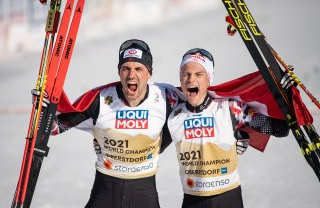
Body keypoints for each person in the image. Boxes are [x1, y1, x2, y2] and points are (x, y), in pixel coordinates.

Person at [49, 39, 183, 208]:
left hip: (144, 192)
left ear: (149, 74)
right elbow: (56, 127)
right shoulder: (99, 99)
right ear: (119, 73)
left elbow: (192, 109)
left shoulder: (165, 98)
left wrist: (158, 147)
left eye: (138, 69)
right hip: (106, 190)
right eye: (125, 68)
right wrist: (44, 108)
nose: (131, 75)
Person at [167, 48, 291, 208]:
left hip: (228, 198)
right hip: (193, 200)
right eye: (185, 74)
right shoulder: (173, 115)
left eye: (199, 74)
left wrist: (284, 93)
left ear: (209, 79)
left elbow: (280, 129)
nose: (191, 79)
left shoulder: (230, 109)